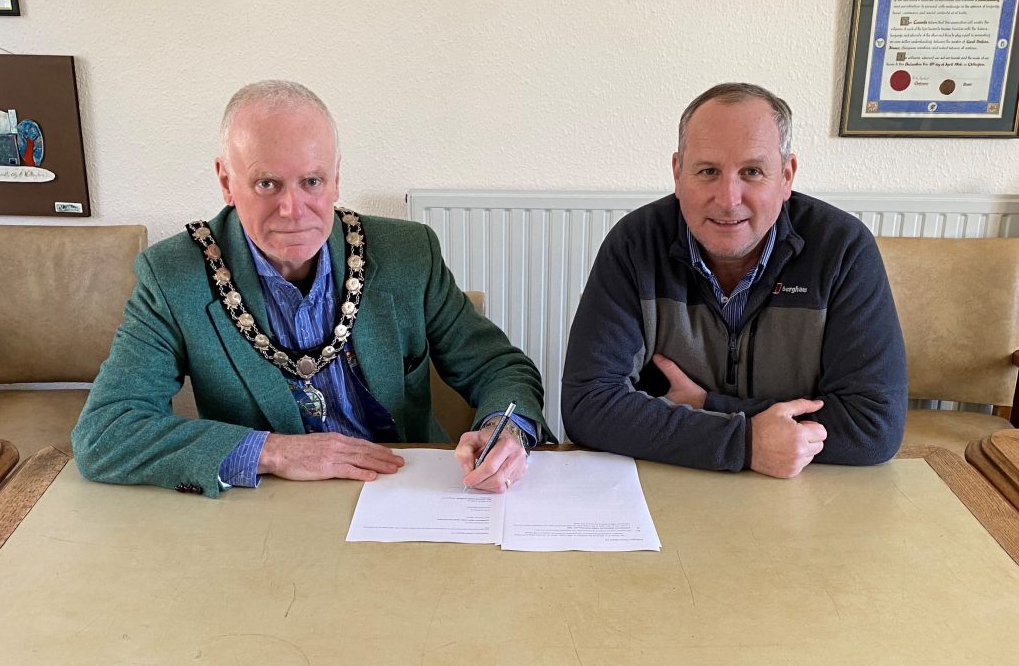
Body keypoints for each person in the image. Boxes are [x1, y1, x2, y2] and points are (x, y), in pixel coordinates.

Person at [72, 80, 551, 498]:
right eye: (266, 184)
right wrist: (274, 452)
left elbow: (498, 366)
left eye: (312, 181)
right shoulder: (173, 274)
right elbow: (105, 433)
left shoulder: (408, 253)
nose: (293, 209)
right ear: (225, 180)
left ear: (336, 177)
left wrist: (503, 429)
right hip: (268, 507)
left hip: (405, 492)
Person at [561, 82, 906, 478]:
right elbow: (586, 405)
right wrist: (745, 443)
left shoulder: (842, 248)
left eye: (752, 172)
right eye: (708, 171)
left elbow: (873, 426)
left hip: (802, 491)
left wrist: (709, 404)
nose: (728, 199)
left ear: (786, 175)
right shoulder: (635, 243)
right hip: (669, 485)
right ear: (678, 173)